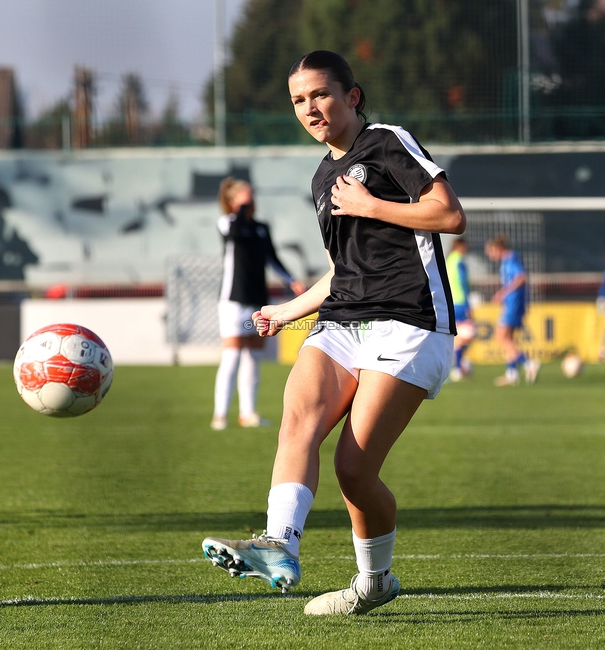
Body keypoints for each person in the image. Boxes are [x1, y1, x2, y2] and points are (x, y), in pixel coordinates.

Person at [202, 50, 465, 616]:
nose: (310, 108)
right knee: (297, 419)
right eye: (299, 100)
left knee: (353, 468)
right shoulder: (322, 176)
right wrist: (289, 309)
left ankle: (374, 581)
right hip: (344, 318)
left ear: (353, 96)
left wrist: (371, 203)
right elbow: (345, 270)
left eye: (320, 94)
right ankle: (279, 545)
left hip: (411, 320)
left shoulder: (389, 141)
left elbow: (447, 214)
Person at [212, 177, 305, 430]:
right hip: (233, 300)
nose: (251, 198)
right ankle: (220, 415)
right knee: (231, 356)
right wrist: (241, 208)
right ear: (232, 201)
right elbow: (232, 234)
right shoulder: (228, 223)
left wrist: (291, 280)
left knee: (253, 356)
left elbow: (272, 258)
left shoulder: (261, 227)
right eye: (244, 195)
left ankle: (248, 413)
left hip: (257, 300)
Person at [484, 236, 539, 386]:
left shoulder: (511, 259)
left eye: (491, 252)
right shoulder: (507, 260)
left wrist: (503, 293)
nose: (490, 256)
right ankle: (512, 374)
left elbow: (521, 277)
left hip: (514, 304)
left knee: (501, 337)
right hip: (513, 303)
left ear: (498, 248)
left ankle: (529, 364)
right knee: (509, 339)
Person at [446, 237, 474, 381]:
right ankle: (458, 367)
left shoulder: (449, 259)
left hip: (451, 302)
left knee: (459, 337)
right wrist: (468, 304)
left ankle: (458, 365)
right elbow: (462, 283)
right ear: (460, 246)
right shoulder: (459, 261)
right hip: (461, 302)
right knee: (468, 334)